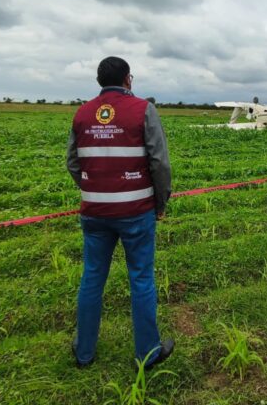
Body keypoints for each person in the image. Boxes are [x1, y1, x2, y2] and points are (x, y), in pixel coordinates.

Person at [66, 56, 174, 369]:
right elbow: (160, 164)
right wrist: (161, 203)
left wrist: (95, 188)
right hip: (136, 212)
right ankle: (148, 353)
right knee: (141, 278)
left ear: (99, 81)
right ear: (128, 79)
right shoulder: (143, 110)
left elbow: (73, 163)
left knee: (92, 277)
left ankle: (84, 352)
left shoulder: (83, 112)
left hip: (94, 212)